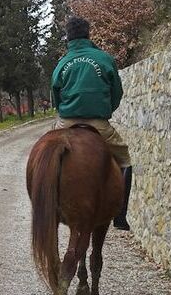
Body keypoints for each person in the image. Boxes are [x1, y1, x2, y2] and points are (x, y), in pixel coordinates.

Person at [50, 15, 133, 230]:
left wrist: (65, 112)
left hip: (66, 123)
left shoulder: (62, 63)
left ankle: (49, 206)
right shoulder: (104, 59)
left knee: (47, 155)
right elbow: (117, 93)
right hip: (98, 123)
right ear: (88, 34)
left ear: (68, 37)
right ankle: (120, 216)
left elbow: (55, 97)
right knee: (125, 159)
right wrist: (105, 110)